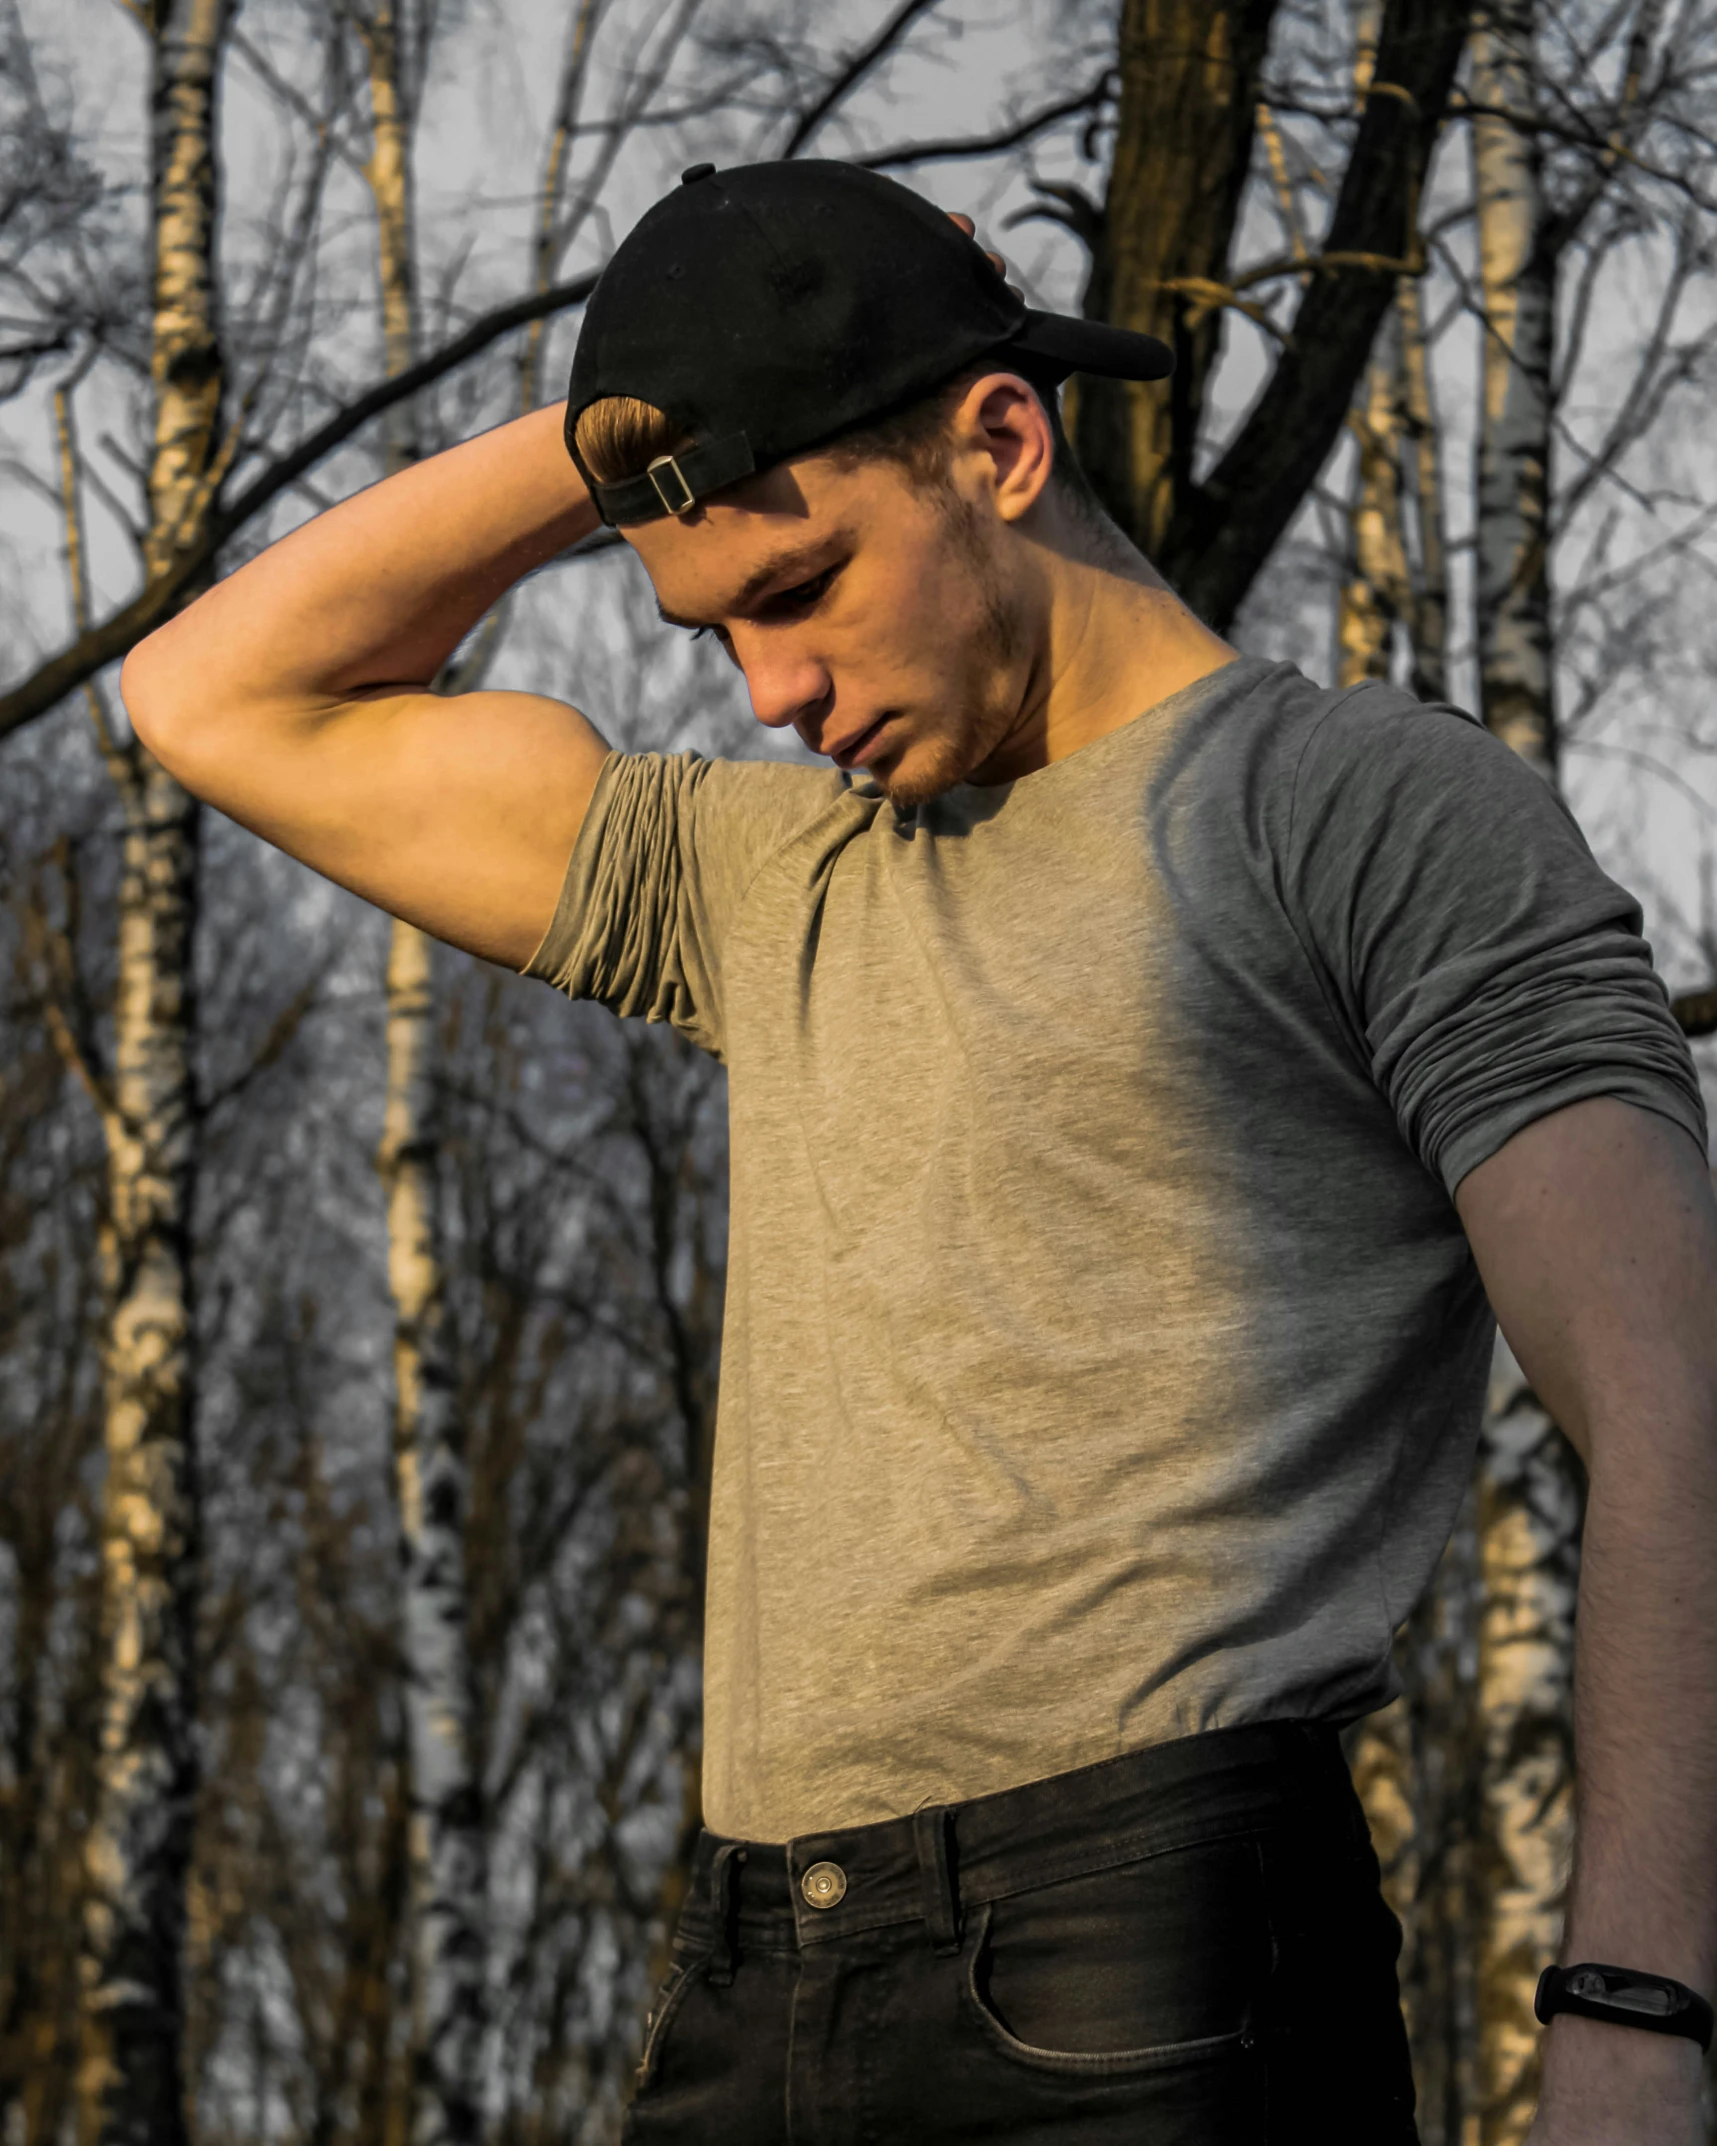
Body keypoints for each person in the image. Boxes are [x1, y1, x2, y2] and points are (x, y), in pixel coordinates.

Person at [122, 161, 1717, 2146]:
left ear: (999, 438)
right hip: (737, 1984)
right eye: (711, 629)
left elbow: (1671, 1401)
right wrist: (644, 395)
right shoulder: (767, 878)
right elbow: (211, 695)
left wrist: (1637, 2017)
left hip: (1146, 1964)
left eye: (795, 589)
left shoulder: (1361, 807)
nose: (771, 692)